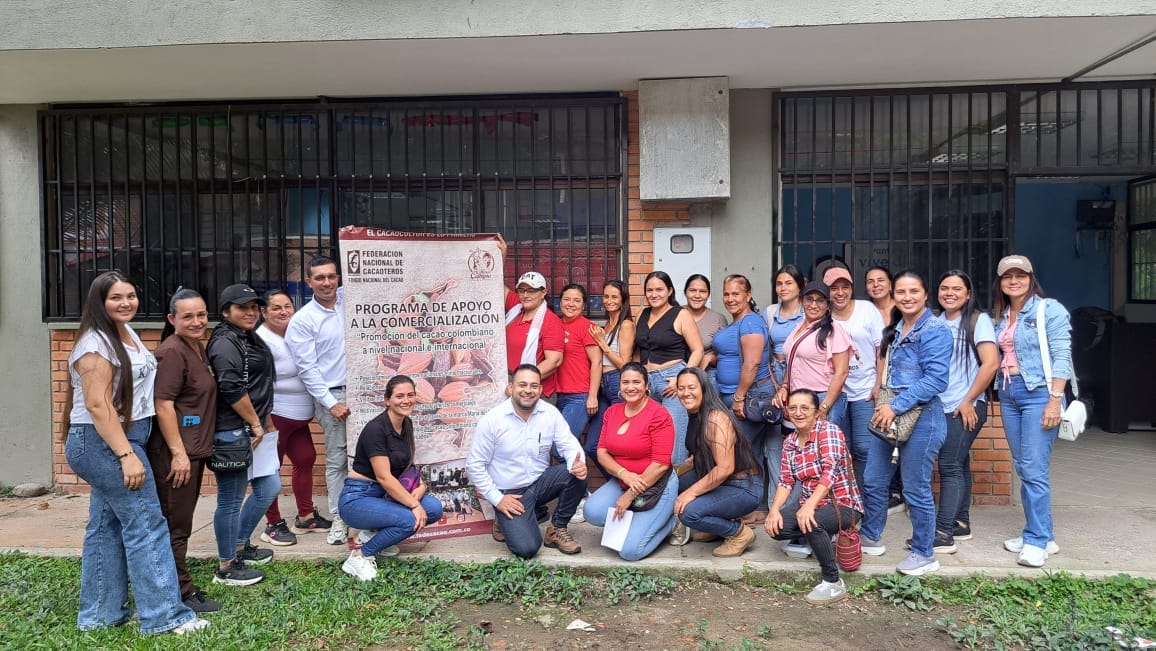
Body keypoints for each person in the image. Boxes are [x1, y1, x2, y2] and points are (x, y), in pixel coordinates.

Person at [62, 271, 208, 635]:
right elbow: (98, 406)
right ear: (100, 302)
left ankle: (99, 615)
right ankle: (164, 616)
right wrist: (126, 455)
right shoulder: (96, 344)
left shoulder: (123, 333)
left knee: (105, 527)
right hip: (107, 442)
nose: (126, 302)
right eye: (116, 297)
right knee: (147, 524)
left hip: (123, 439)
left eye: (130, 295)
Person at [866, 271, 951, 575]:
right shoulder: (897, 328)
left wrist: (895, 406)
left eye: (913, 291)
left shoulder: (935, 329)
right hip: (888, 412)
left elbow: (936, 380)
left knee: (915, 488)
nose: (907, 297)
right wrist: (883, 403)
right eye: (900, 291)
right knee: (874, 479)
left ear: (925, 294)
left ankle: (924, 553)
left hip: (922, 417)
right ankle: (871, 536)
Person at [992, 255, 1071, 568]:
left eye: (1020, 275)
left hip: (1039, 393)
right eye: (1007, 276)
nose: (1014, 281)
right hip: (1009, 394)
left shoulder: (1048, 309)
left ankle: (1036, 540)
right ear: (1000, 282)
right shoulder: (1003, 315)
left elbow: (1062, 356)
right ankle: (1042, 535)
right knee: (1024, 467)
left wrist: (1055, 399)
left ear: (1030, 277)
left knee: (1034, 468)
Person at [147, 289, 221, 614]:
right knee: (175, 525)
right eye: (187, 316)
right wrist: (178, 453)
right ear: (171, 319)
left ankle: (177, 585)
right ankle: (180, 592)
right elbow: (162, 405)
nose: (196, 321)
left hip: (193, 450)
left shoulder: (197, 347)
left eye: (201, 315)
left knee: (181, 522)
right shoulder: (172, 353)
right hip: (176, 455)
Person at [466, 364, 589, 559]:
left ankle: (556, 528)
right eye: (522, 385)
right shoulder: (493, 420)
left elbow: (569, 444)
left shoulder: (550, 413)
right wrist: (498, 499)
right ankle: (504, 517)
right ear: (511, 388)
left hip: (539, 484)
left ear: (540, 390)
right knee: (527, 549)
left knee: (576, 473)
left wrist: (577, 462)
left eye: (534, 386)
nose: (528, 390)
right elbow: (474, 465)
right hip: (510, 493)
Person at [206, 284, 280, 587]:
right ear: (226, 312)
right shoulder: (225, 342)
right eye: (242, 307)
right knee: (230, 500)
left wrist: (265, 420)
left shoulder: (246, 336)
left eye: (254, 307)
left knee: (269, 486)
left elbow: (259, 384)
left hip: (253, 426)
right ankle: (226, 566)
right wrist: (255, 422)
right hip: (233, 430)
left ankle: (239, 544)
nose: (251, 312)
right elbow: (232, 388)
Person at [337, 375, 445, 581]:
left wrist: (421, 486)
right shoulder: (376, 430)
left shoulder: (407, 424)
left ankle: (374, 535)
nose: (406, 400)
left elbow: (406, 466)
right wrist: (414, 505)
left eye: (411, 395)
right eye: (399, 396)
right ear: (387, 400)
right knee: (409, 520)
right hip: (358, 498)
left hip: (385, 495)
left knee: (433, 509)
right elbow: (384, 477)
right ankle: (361, 555)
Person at [765, 389, 864, 605]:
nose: (798, 413)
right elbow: (785, 481)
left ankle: (833, 582)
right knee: (777, 527)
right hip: (810, 504)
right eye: (793, 408)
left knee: (812, 521)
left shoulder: (829, 432)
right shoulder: (790, 442)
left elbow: (831, 472)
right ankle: (820, 538)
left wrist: (809, 506)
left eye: (804, 408)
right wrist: (773, 511)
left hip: (844, 505)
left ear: (816, 412)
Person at [257, 289, 331, 546]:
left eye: (287, 305)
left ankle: (306, 517)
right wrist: (263, 420)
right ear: (264, 312)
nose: (283, 311)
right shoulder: (261, 340)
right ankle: (272, 524)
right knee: (270, 470)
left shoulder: (296, 330)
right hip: (276, 415)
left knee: (306, 459)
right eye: (276, 307)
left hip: (299, 417)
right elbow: (259, 382)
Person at [581, 362, 678, 560]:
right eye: (625, 382)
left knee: (630, 552)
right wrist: (624, 474)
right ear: (620, 386)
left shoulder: (659, 414)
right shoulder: (612, 412)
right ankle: (641, 522)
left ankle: (671, 523)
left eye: (636, 382)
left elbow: (661, 464)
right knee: (591, 512)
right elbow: (602, 452)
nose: (630, 387)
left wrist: (630, 495)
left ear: (646, 385)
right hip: (623, 481)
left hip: (656, 484)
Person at [286, 257, 351, 546]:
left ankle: (367, 515)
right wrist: (329, 402)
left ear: (338, 278)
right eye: (320, 278)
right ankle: (340, 517)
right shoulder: (303, 320)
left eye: (331, 276)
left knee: (369, 456)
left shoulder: (351, 303)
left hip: (366, 392)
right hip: (333, 396)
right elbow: (307, 368)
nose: (327, 282)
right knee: (337, 458)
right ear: (309, 282)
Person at [934, 270, 999, 550]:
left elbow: (991, 363)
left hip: (965, 406)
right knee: (959, 463)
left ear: (968, 293)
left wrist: (969, 400)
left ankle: (942, 534)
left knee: (948, 466)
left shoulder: (978, 320)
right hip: (942, 405)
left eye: (957, 289)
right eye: (944, 287)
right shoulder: (935, 322)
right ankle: (960, 524)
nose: (950, 293)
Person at [670, 367, 764, 557]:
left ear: (704, 389)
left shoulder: (716, 418)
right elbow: (707, 445)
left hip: (742, 486)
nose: (686, 393)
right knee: (673, 482)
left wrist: (689, 494)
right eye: (681, 388)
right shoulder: (696, 413)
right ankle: (715, 525)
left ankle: (738, 533)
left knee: (688, 512)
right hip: (721, 479)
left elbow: (725, 468)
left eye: (691, 387)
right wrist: (697, 456)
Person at [711, 275, 773, 518]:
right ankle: (753, 505)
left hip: (749, 396)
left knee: (741, 451)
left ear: (748, 295)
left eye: (736, 294)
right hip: (734, 395)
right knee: (748, 450)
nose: (730, 299)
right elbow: (732, 354)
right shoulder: (738, 322)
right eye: (726, 294)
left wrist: (739, 396)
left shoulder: (750, 323)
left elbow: (753, 362)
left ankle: (754, 506)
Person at [634, 270, 705, 465]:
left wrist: (682, 381)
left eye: (659, 289)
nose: (654, 294)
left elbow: (698, 350)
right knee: (652, 444)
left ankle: (678, 494)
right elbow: (637, 350)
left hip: (672, 381)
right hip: (647, 384)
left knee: (674, 447)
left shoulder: (681, 314)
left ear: (670, 291)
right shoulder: (642, 314)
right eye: (649, 290)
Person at [824, 267, 884, 478]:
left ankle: (871, 501)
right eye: (834, 288)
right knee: (841, 449)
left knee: (864, 447)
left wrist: (879, 384)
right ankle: (848, 503)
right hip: (835, 393)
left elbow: (881, 349)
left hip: (864, 391)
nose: (840, 293)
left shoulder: (866, 309)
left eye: (845, 287)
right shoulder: (823, 314)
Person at [773, 281, 851, 431]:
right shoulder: (798, 328)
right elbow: (792, 362)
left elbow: (842, 372)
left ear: (828, 305)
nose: (814, 305)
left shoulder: (833, 330)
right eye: (809, 299)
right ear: (802, 301)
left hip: (821, 398)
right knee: (802, 448)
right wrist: (784, 387)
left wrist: (824, 407)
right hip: (798, 400)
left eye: (820, 300)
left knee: (822, 449)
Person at [554, 283, 601, 523]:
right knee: (559, 448)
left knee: (562, 448)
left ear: (584, 305)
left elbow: (597, 363)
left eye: (576, 300)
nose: (571, 304)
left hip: (580, 395)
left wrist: (592, 395)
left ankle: (583, 496)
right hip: (559, 396)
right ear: (560, 301)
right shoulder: (554, 324)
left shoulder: (587, 327)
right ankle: (575, 494)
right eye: (567, 299)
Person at [865, 266, 906, 516]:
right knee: (883, 434)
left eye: (881, 280)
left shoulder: (901, 308)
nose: (876, 285)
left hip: (898, 382)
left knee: (899, 432)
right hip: (875, 381)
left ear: (890, 284)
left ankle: (898, 491)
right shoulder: (866, 310)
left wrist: (880, 384)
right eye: (870, 281)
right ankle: (891, 491)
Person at [587, 280, 636, 478]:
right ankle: (617, 484)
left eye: (614, 296)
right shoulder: (607, 326)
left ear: (623, 299)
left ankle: (627, 487)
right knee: (592, 446)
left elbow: (625, 364)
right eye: (606, 296)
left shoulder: (625, 325)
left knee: (617, 446)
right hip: (603, 388)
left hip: (618, 384)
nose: (609, 301)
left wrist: (602, 343)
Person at [503, 269, 565, 399]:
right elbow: (497, 285)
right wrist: (500, 256)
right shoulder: (517, 308)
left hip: (535, 391)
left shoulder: (550, 320)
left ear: (543, 292)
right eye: (521, 290)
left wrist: (522, 382)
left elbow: (554, 361)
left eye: (531, 290)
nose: (525, 295)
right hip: (510, 384)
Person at [683, 274, 728, 380]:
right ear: (685, 292)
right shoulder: (675, 315)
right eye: (692, 290)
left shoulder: (718, 319)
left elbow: (727, 356)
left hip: (707, 372)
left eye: (703, 291)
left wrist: (711, 358)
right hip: (676, 371)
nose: (697, 295)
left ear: (708, 294)